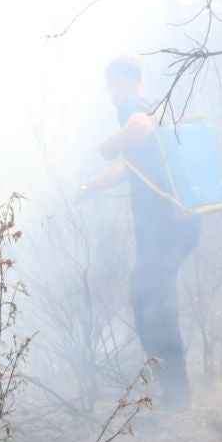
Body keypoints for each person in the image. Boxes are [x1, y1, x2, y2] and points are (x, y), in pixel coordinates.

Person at [85, 56, 200, 409]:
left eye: (110, 87)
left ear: (119, 82)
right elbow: (132, 164)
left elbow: (138, 129)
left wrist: (110, 144)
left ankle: (177, 398)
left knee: (154, 305)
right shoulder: (154, 107)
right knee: (149, 297)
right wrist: (94, 184)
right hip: (180, 222)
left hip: (165, 226)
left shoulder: (134, 108)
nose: (110, 95)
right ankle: (174, 392)